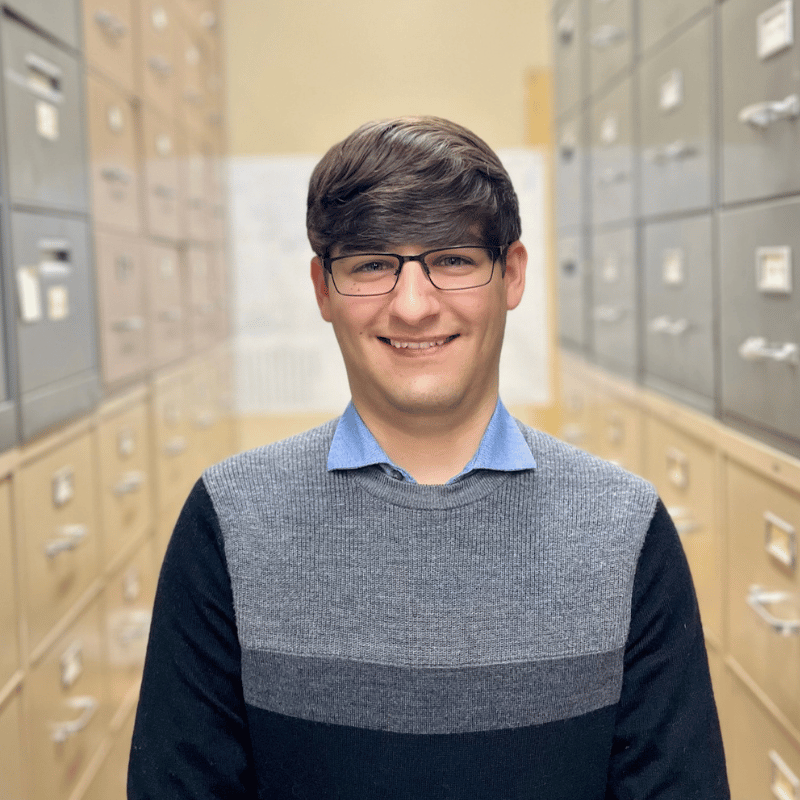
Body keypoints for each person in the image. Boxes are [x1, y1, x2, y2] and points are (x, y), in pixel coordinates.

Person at [128, 116, 729, 799]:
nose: (413, 306)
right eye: (371, 265)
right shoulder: (231, 519)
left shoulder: (623, 525)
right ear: (323, 289)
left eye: (453, 260)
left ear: (512, 276)